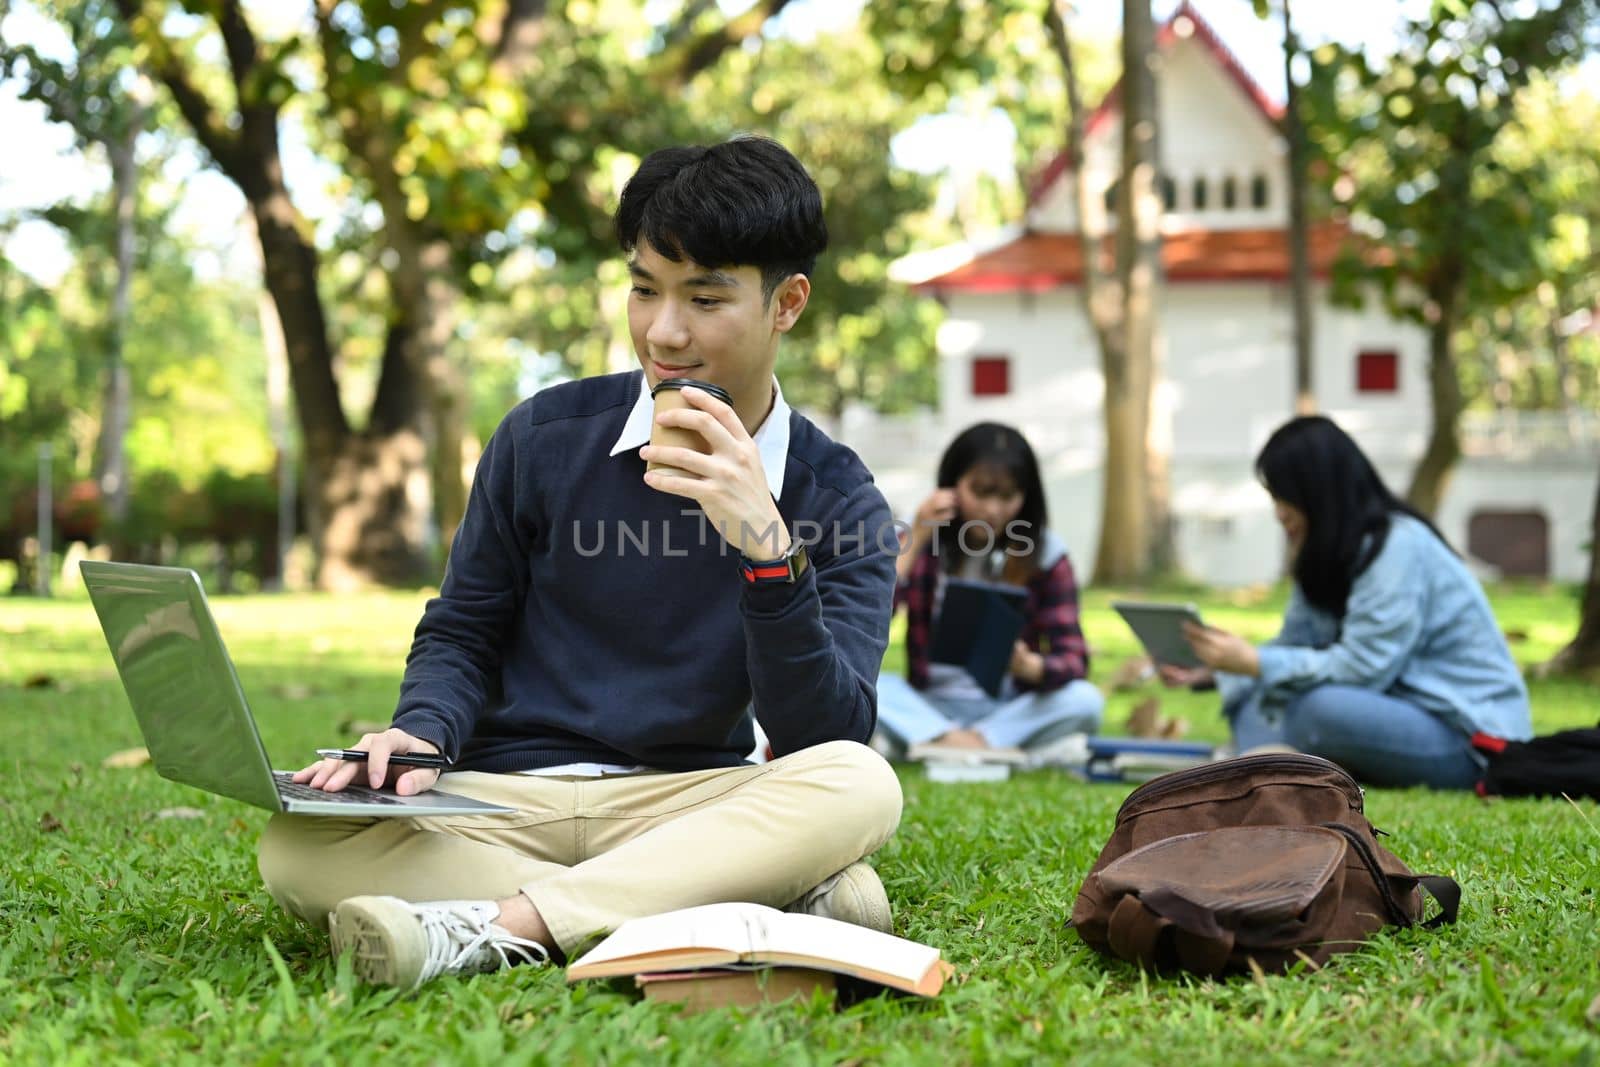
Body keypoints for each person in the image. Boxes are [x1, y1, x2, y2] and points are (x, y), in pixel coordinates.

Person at [256, 136, 904, 990]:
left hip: (684, 800)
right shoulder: (543, 437)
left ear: (787, 303)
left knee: (862, 784)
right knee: (294, 849)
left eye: (705, 298)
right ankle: (737, 901)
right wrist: (421, 733)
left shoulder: (840, 496)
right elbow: (464, 624)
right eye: (644, 290)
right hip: (501, 800)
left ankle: (497, 929)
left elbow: (827, 735)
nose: (664, 332)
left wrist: (766, 549)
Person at [1161, 415, 1533, 789]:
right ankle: (1285, 761)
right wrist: (1220, 668)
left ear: (1318, 490)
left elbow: (1364, 667)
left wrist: (1255, 663)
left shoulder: (1398, 546)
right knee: (1250, 695)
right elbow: (1294, 646)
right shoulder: (1321, 555)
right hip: (1388, 711)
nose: (1279, 512)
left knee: (1315, 709)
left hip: (1464, 735)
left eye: (1284, 496)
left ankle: (1279, 761)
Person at [875, 423, 1103, 758]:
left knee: (1085, 701)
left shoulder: (1047, 554)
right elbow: (868, 618)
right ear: (953, 486)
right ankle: (977, 745)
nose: (994, 510)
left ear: (1026, 497)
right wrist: (917, 537)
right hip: (929, 701)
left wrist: (1033, 668)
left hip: (1008, 706)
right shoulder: (921, 536)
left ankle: (951, 744)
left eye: (1008, 497)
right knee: (858, 686)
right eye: (981, 493)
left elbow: (1073, 658)